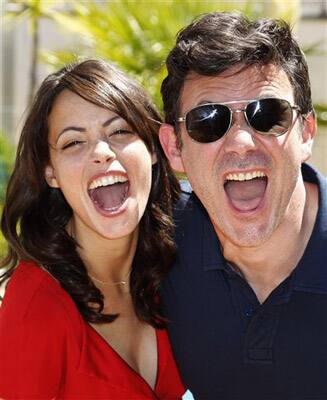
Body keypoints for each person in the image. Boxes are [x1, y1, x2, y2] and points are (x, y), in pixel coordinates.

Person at [158, 12, 327, 399]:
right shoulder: (153, 241)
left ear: (306, 132)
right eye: (207, 121)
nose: (241, 143)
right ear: (173, 148)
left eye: (268, 115)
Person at [0, 59, 185, 399]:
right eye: (73, 143)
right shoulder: (36, 303)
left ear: (153, 150)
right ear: (50, 173)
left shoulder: (181, 271)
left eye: (119, 131)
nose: (102, 152)